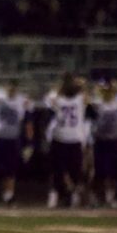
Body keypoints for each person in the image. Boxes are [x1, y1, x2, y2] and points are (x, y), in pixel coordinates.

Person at [0, 80, 33, 205]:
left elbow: (28, 123)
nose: (10, 89)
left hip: (12, 139)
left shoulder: (22, 101)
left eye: (13, 87)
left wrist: (29, 142)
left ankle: (8, 195)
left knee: (10, 169)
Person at [45, 73, 90, 208]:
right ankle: (61, 194)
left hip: (67, 137)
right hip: (67, 137)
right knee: (62, 170)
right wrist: (80, 85)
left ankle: (68, 195)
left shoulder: (59, 98)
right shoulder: (78, 98)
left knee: (70, 170)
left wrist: (67, 86)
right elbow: (86, 96)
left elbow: (52, 97)